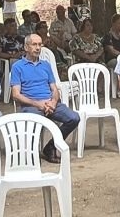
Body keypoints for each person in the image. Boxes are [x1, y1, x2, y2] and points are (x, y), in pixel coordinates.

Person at [9, 32, 79, 161]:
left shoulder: (46, 65)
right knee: (35, 123)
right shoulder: (17, 67)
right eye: (34, 44)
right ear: (26, 47)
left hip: (50, 103)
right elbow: (16, 95)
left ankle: (51, 147)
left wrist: (53, 102)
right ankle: (30, 156)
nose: (38, 48)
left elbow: (54, 89)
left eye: (40, 45)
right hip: (31, 105)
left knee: (74, 118)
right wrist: (38, 104)